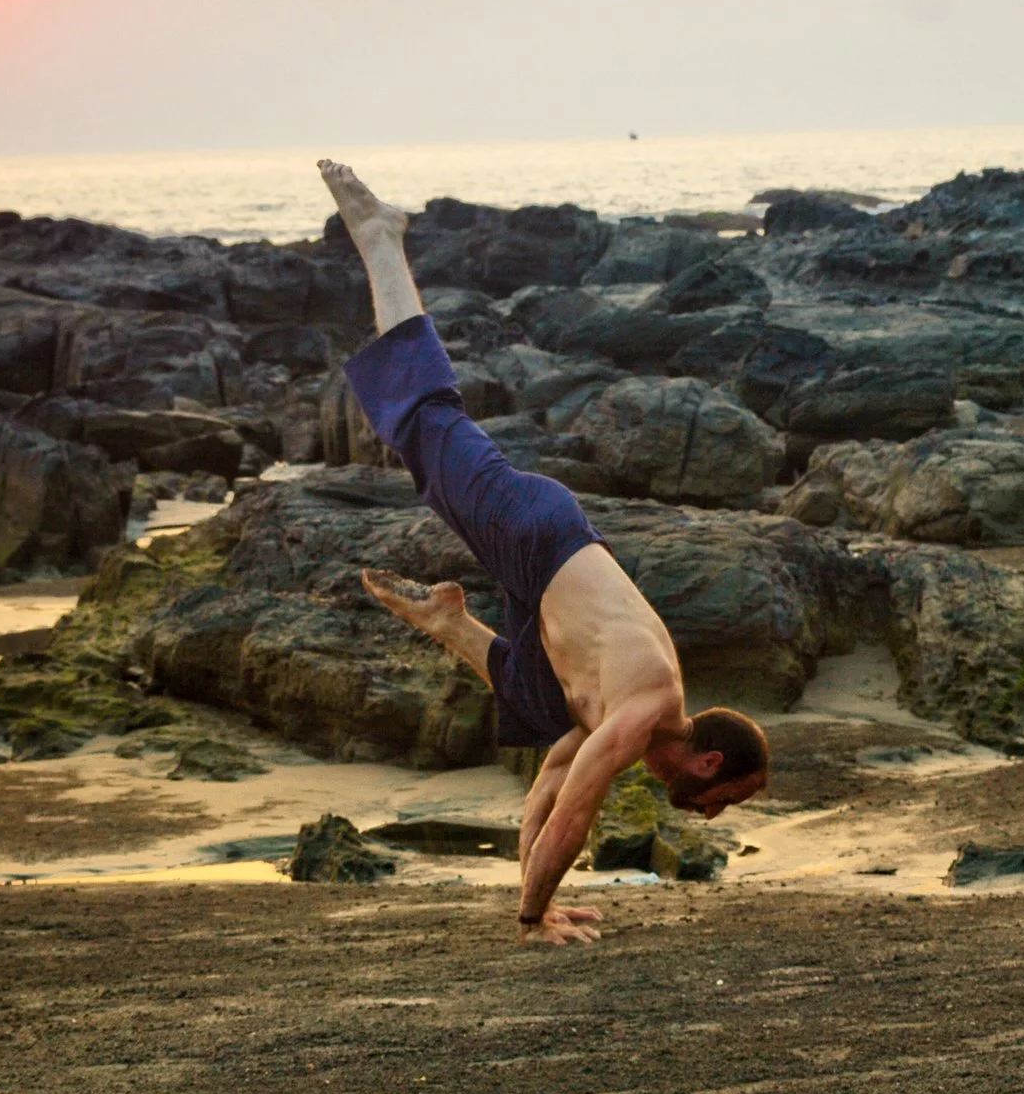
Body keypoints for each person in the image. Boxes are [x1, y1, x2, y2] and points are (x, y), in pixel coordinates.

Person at [318, 159, 770, 947]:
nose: (718, 814)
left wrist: (538, 905)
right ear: (707, 766)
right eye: (728, 798)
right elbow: (572, 814)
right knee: (426, 422)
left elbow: (547, 791)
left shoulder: (626, 721)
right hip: (540, 533)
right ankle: (380, 238)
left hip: (544, 586)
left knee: (537, 703)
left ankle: (452, 623)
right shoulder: (642, 710)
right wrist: (532, 916)